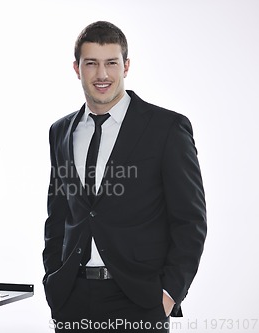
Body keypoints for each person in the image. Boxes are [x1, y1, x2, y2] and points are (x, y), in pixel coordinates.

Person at [42, 21, 207, 332]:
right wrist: (54, 280)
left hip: (139, 300)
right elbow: (58, 215)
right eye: (91, 63)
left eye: (111, 63)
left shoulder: (166, 128)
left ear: (126, 66)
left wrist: (169, 294)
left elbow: (190, 220)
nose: (102, 75)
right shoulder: (61, 131)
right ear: (77, 68)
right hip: (73, 299)